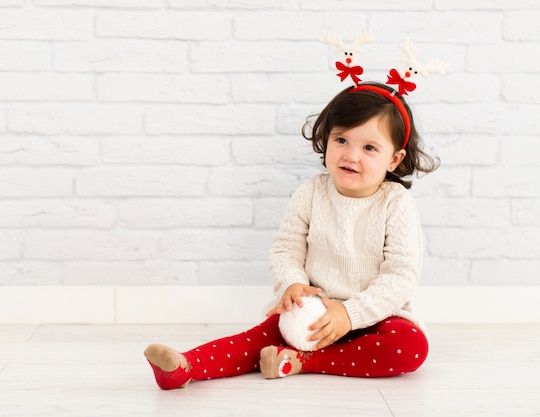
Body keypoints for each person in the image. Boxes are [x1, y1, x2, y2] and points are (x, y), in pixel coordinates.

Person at [144, 80, 439, 390]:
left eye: (369, 147)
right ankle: (185, 366)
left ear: (393, 158)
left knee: (410, 346)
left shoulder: (395, 202)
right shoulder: (311, 192)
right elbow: (287, 249)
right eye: (341, 140)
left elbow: (401, 275)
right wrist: (293, 284)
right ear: (327, 139)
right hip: (312, 313)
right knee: (255, 338)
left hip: (374, 316)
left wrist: (349, 315)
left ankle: (305, 361)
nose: (351, 155)